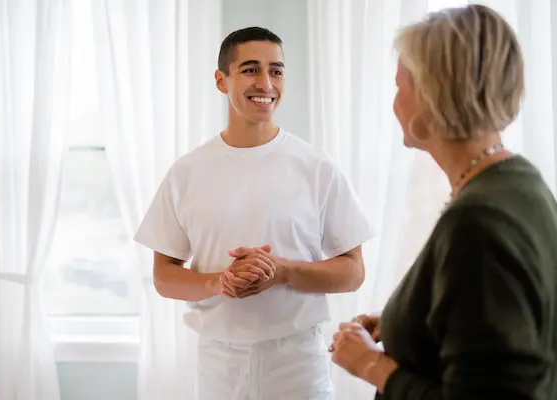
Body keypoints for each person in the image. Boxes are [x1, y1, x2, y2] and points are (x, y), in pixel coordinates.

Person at [330, 4, 557, 399]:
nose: (395, 103)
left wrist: (370, 364)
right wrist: (408, 322)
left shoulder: (478, 222)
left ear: (433, 94)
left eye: (400, 85)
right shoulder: (521, 180)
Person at [134, 26, 374, 399]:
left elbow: (353, 272)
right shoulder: (187, 171)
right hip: (218, 366)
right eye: (250, 69)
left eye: (276, 70)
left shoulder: (317, 167)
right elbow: (164, 276)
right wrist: (219, 282)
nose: (266, 83)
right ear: (221, 80)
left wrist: (282, 272)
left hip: (298, 364)